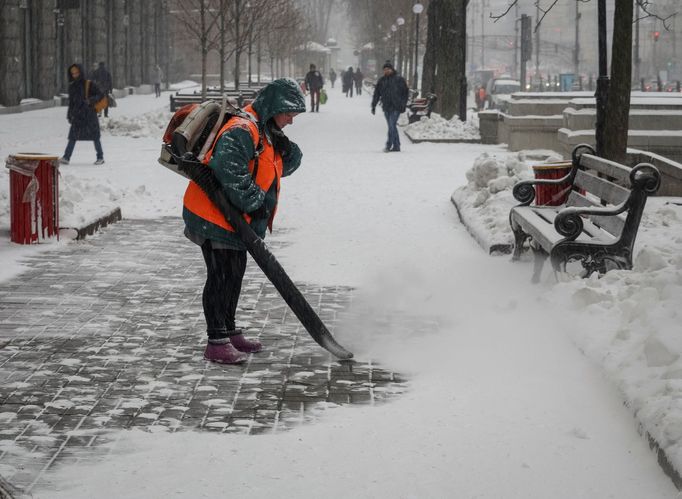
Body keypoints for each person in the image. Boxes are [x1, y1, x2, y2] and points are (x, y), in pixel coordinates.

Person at [183, 78, 306, 364]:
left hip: (233, 219)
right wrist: (257, 204)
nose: (291, 120)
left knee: (233, 274)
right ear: (276, 106)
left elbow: (277, 167)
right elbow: (232, 174)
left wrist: (288, 149)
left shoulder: (264, 131)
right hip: (213, 216)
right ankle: (216, 341)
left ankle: (228, 330)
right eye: (289, 113)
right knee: (221, 277)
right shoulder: (242, 129)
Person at [60, 63, 105, 165]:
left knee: (95, 137)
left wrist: (91, 100)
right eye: (73, 73)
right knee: (72, 137)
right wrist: (69, 115)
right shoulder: (72, 86)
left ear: (81, 72)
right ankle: (66, 157)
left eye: (76, 73)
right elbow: (71, 102)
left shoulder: (89, 84)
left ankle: (100, 157)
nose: (75, 75)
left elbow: (100, 95)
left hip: (89, 115)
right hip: (77, 115)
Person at [371, 61, 409, 153]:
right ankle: (397, 146)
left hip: (396, 106)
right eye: (384, 70)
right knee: (391, 127)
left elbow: (405, 93)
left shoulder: (399, 80)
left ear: (392, 69)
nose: (386, 71)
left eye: (388, 69)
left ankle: (389, 145)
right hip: (386, 106)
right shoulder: (382, 80)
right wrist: (373, 105)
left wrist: (403, 104)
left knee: (392, 125)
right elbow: (377, 94)